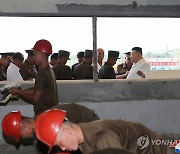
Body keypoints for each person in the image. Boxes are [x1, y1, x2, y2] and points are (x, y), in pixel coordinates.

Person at [35, 109, 169, 154]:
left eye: (60, 143)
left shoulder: (103, 139)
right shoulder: (85, 138)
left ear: (67, 130)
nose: (63, 148)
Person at [10, 39, 58, 116]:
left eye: (35, 55)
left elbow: (35, 98)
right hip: (50, 113)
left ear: (41, 55)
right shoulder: (48, 70)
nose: (34, 57)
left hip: (44, 114)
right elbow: (37, 89)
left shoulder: (42, 74)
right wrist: (19, 91)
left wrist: (19, 92)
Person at [1, 103, 99, 141]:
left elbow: (66, 142)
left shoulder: (46, 125)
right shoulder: (41, 121)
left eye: (21, 135)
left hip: (91, 126)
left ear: (25, 127)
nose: (23, 137)